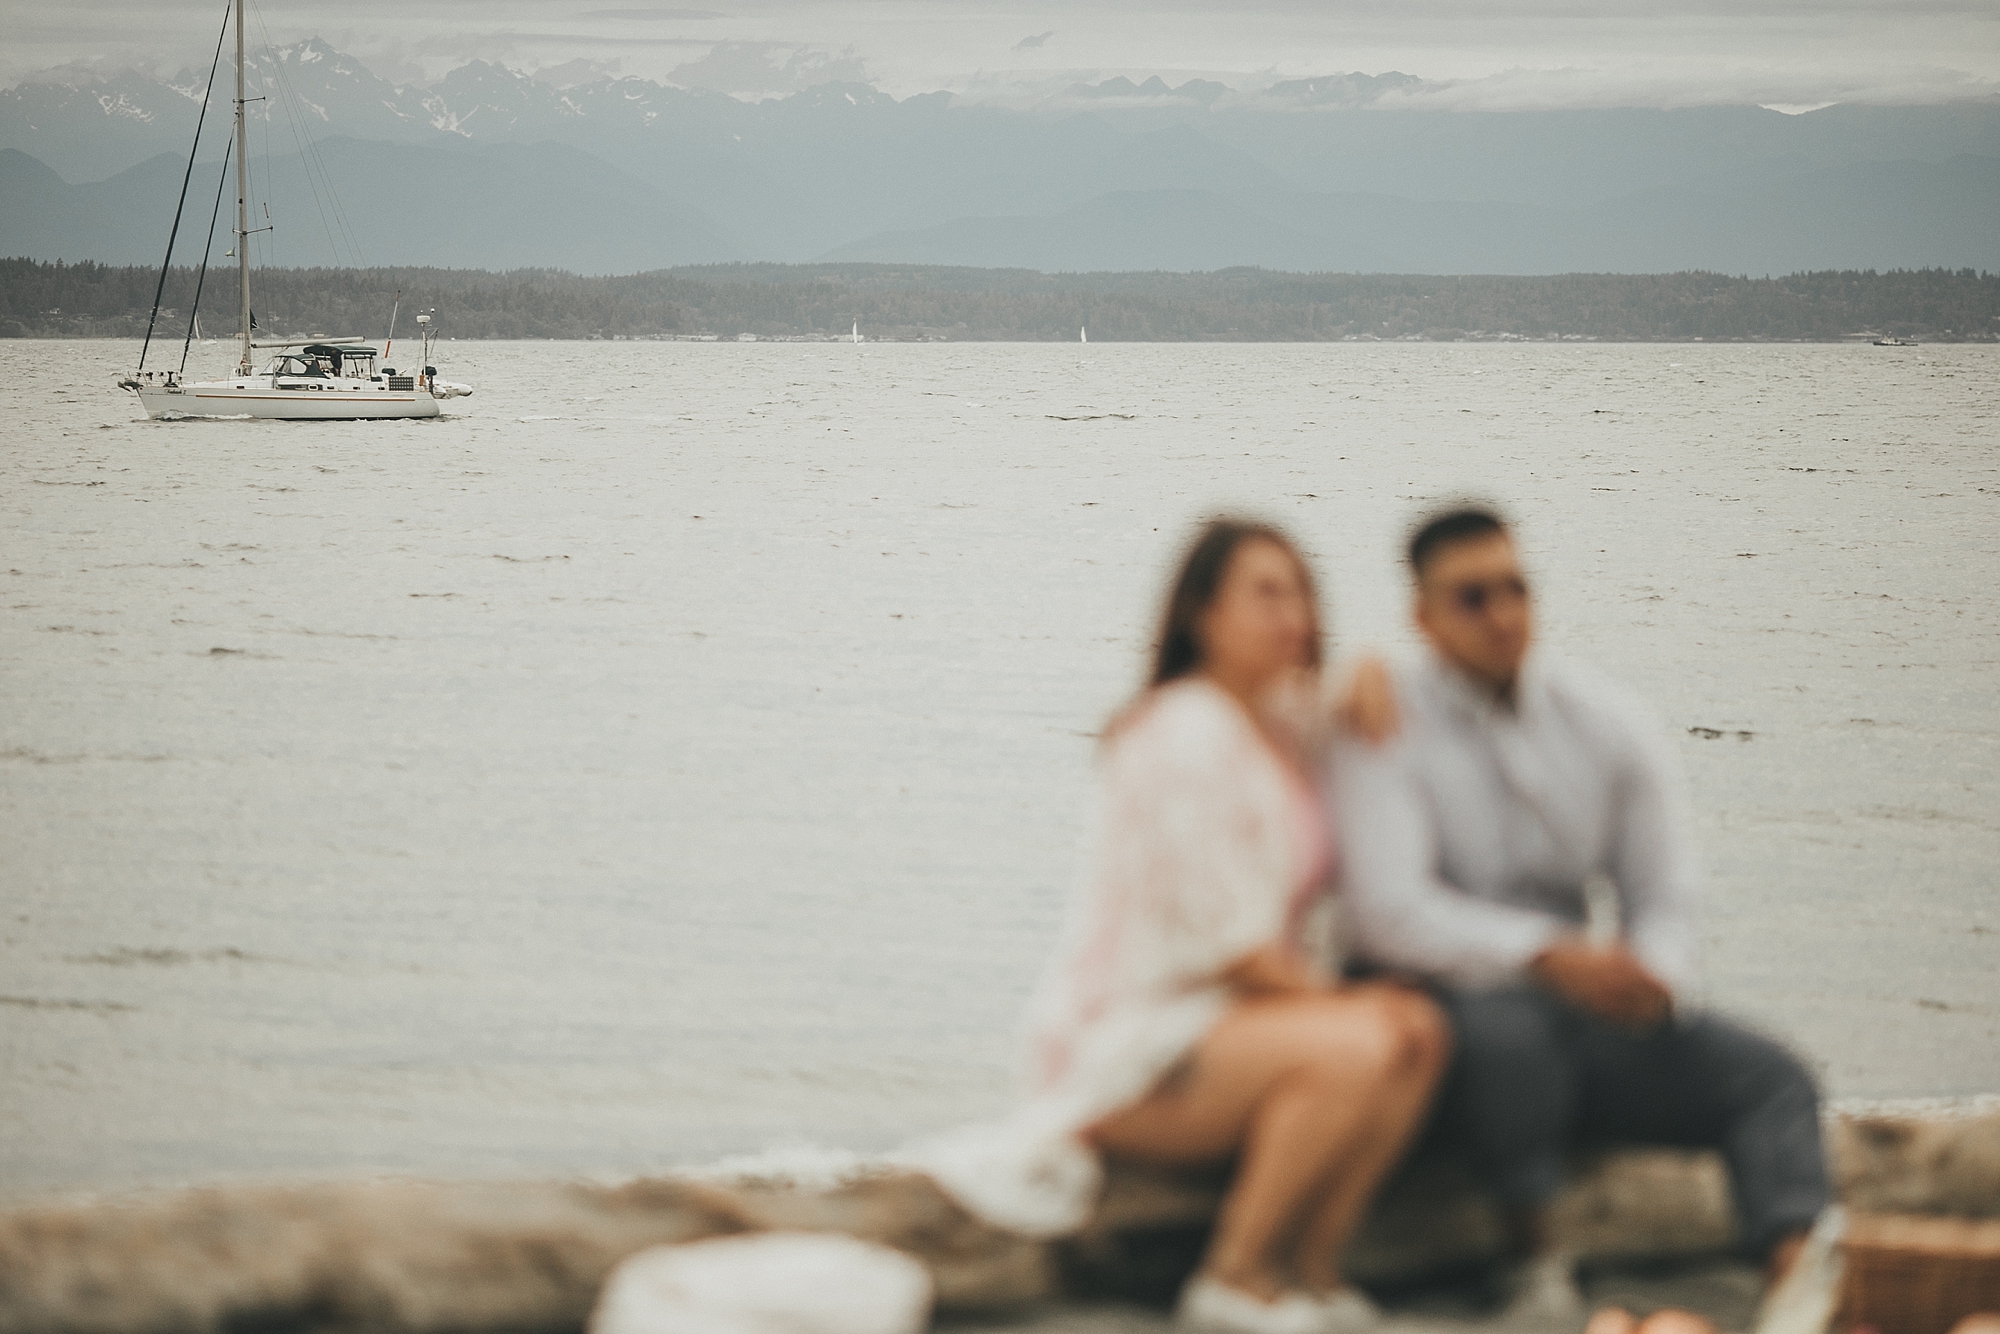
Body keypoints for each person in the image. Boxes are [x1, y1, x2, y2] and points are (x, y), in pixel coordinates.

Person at [1330, 507, 1829, 1325]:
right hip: (1437, 1022)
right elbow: (1388, 912)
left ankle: (1796, 1281)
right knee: (1509, 1033)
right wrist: (1545, 955)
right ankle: (1535, 1260)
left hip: (1577, 1018)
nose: (1502, 614)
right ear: (1421, 617)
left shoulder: (1607, 724)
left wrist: (1655, 977)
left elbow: (1663, 893)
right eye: (1472, 597)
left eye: (1516, 589)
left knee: (1770, 1078)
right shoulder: (1386, 719)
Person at [965, 518, 1449, 1334]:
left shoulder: (1275, 719)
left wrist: (1370, 667)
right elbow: (1231, 951)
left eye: (1300, 590)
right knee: (1365, 1038)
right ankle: (1233, 1276)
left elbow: (1346, 697)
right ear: (1201, 614)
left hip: (1229, 1026)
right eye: (1264, 593)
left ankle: (1311, 1274)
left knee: (1421, 1031)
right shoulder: (1180, 733)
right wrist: (1342, 1002)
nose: (1290, 612)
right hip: (1135, 1042)